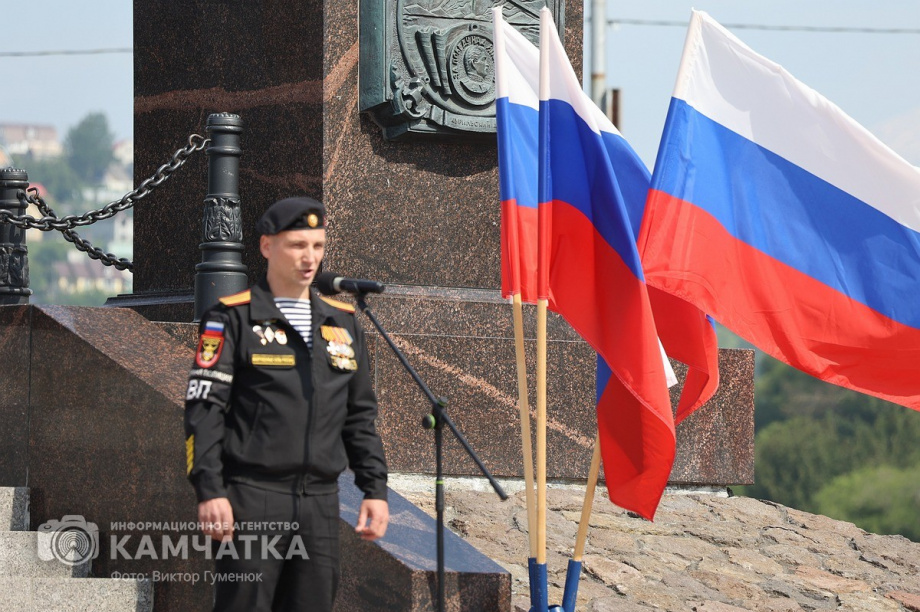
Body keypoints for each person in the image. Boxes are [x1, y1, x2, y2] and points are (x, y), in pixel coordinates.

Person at [184, 196, 389, 612]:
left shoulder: (341, 321)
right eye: (297, 245)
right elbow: (204, 410)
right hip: (252, 497)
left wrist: (375, 488)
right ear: (266, 247)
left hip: (319, 500)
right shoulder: (232, 318)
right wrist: (210, 489)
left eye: (317, 245)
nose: (309, 257)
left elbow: (359, 416)